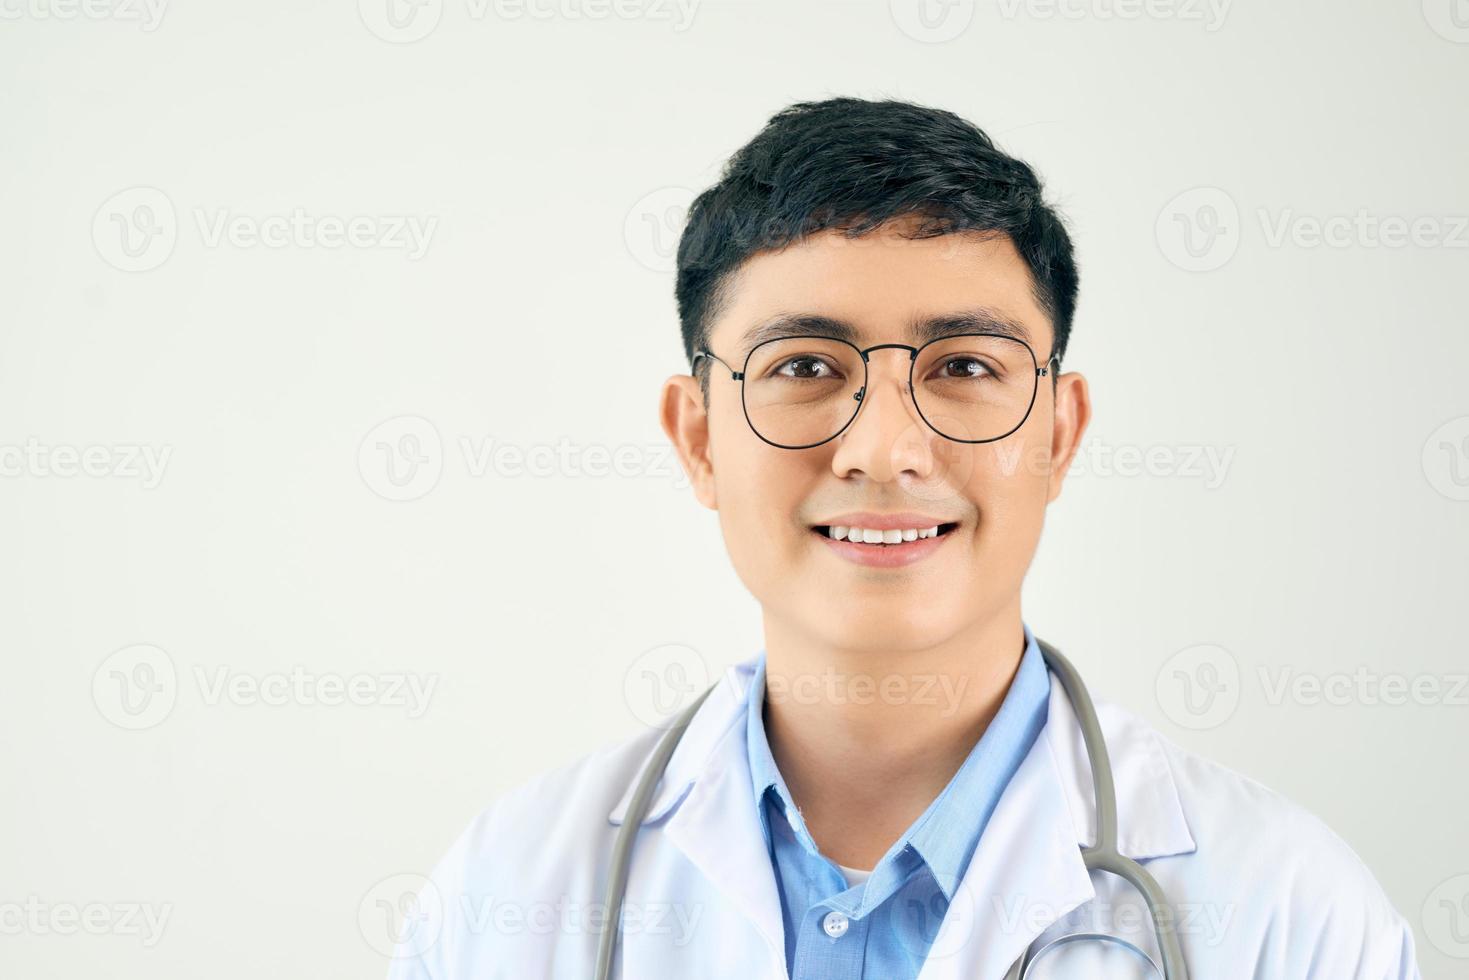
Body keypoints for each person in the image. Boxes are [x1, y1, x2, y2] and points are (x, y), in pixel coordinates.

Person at [386, 97, 1420, 979]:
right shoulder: (507, 896)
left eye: (964, 367)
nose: (883, 449)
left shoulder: (1286, 911)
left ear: (1057, 433)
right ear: (697, 436)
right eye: (803, 367)